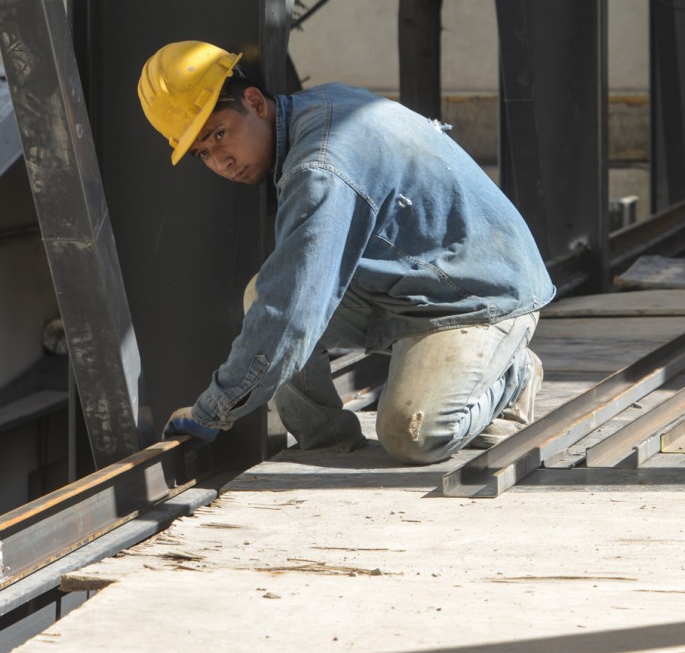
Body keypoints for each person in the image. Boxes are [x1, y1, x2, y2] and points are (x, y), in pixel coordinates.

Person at [135, 40, 553, 463]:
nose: (220, 161)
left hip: (481, 294)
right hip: (418, 277)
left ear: (254, 102)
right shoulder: (316, 109)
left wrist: (216, 409)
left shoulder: (319, 168)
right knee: (262, 294)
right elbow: (289, 298)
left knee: (414, 436)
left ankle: (514, 376)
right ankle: (329, 442)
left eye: (219, 135)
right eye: (202, 153)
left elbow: (291, 315)